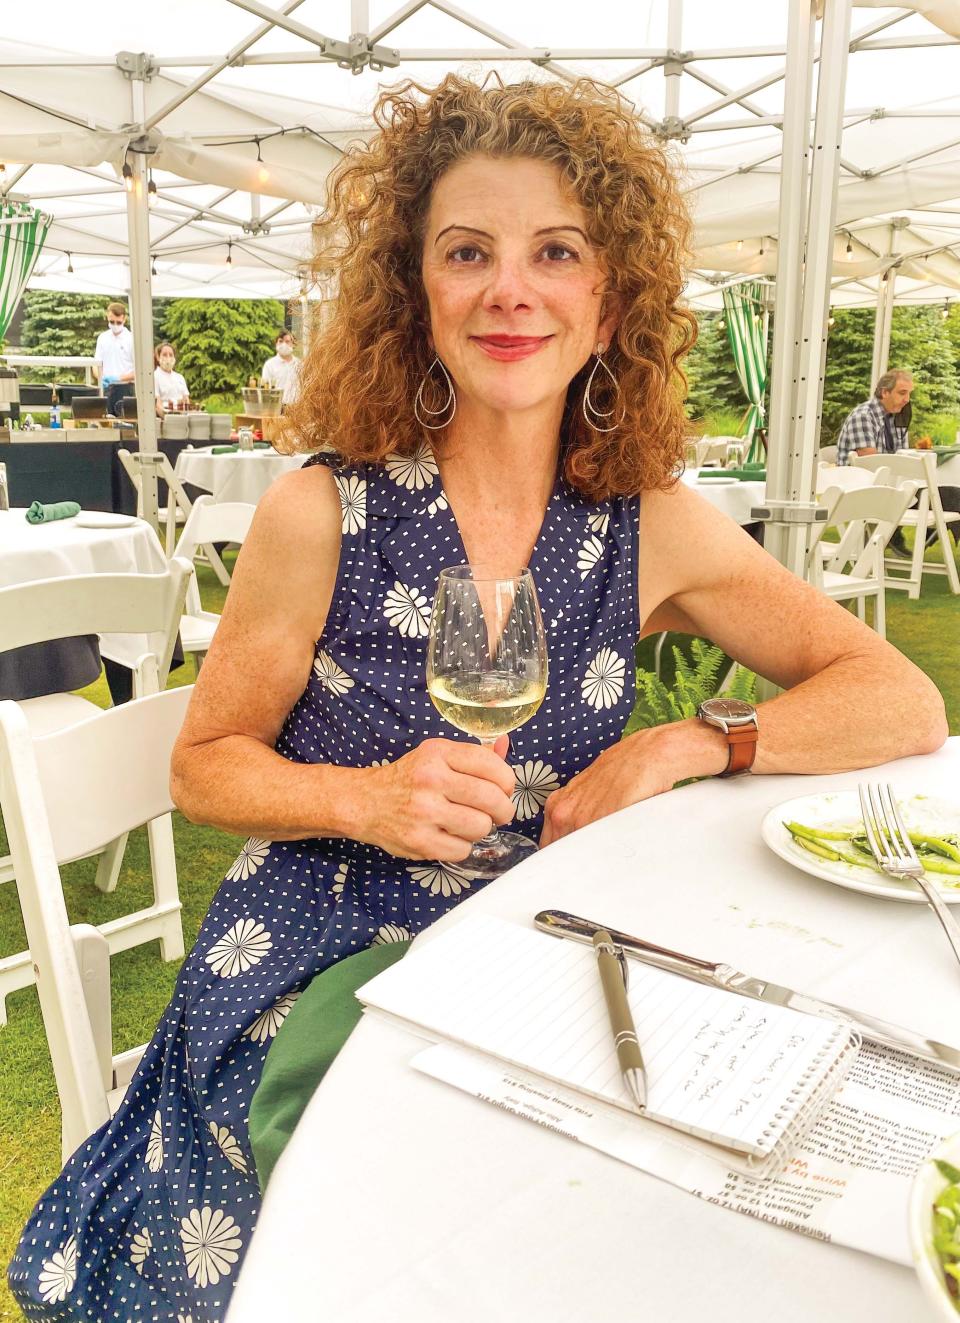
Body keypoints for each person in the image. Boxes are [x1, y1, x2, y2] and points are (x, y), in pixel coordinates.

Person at [9, 76, 947, 1321]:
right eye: (468, 253)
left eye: (555, 252)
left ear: (608, 301)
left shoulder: (647, 522)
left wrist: (694, 742)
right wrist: (364, 800)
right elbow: (206, 766)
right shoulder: (321, 511)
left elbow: (899, 697)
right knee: (459, 1191)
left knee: (688, 1154)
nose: (511, 290)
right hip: (316, 952)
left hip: (548, 933)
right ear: (419, 295)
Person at [836, 369, 912, 465]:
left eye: (909, 394)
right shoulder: (863, 416)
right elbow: (870, 465)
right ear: (885, 392)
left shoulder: (899, 416)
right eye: (902, 393)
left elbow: (904, 459)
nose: (907, 400)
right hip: (855, 478)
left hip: (886, 477)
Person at [92, 300, 135, 416]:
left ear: (124, 319)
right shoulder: (103, 338)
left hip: (126, 388)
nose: (115, 325)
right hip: (106, 389)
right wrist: (101, 378)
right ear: (107, 317)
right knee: (105, 423)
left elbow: (139, 371)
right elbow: (96, 364)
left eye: (118, 322)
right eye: (112, 322)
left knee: (126, 424)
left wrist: (119, 378)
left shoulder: (131, 339)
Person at [260, 329, 301, 406]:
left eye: (287, 341)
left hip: (296, 410)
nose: (284, 344)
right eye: (281, 341)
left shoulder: (299, 365)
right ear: (276, 344)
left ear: (293, 344)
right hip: (276, 408)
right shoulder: (269, 365)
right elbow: (265, 390)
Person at [153, 342, 190, 413]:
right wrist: (169, 417)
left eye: (171, 355)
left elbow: (186, 400)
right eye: (164, 354)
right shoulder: (154, 377)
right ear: (158, 357)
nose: (168, 358)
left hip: (183, 417)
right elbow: (157, 405)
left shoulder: (180, 377)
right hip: (166, 418)